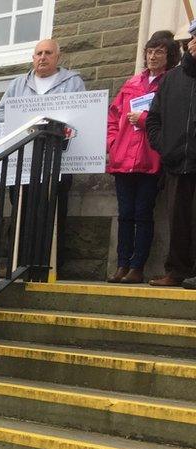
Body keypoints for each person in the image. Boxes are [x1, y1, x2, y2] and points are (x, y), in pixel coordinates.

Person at [0, 39, 86, 270]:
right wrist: (23, 122)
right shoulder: (17, 84)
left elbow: (83, 113)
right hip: (23, 160)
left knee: (52, 211)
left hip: (57, 162)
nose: (42, 57)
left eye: (48, 53)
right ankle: (18, 262)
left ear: (57, 57)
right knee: (21, 211)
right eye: (38, 53)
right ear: (33, 58)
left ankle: (49, 263)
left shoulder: (73, 82)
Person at [106, 32, 178, 284]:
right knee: (125, 213)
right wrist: (113, 144)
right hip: (123, 158)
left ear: (169, 56)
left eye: (159, 51)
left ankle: (137, 266)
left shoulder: (171, 83)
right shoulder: (132, 83)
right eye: (149, 51)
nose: (152, 56)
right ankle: (122, 264)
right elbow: (113, 117)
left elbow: (173, 120)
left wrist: (146, 120)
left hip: (151, 160)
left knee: (142, 213)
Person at [148, 35, 196, 288]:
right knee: (177, 219)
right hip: (177, 162)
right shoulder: (171, 80)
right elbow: (153, 119)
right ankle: (176, 270)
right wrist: (164, 146)